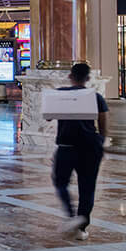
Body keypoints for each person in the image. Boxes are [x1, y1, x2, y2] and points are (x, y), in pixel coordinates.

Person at [53, 62, 107, 240]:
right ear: (88, 78)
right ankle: (81, 227)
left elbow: (48, 116)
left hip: (66, 146)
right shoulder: (95, 97)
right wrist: (101, 140)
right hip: (90, 146)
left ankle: (70, 215)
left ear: (70, 76)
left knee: (60, 182)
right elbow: (103, 122)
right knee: (87, 187)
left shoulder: (60, 95)